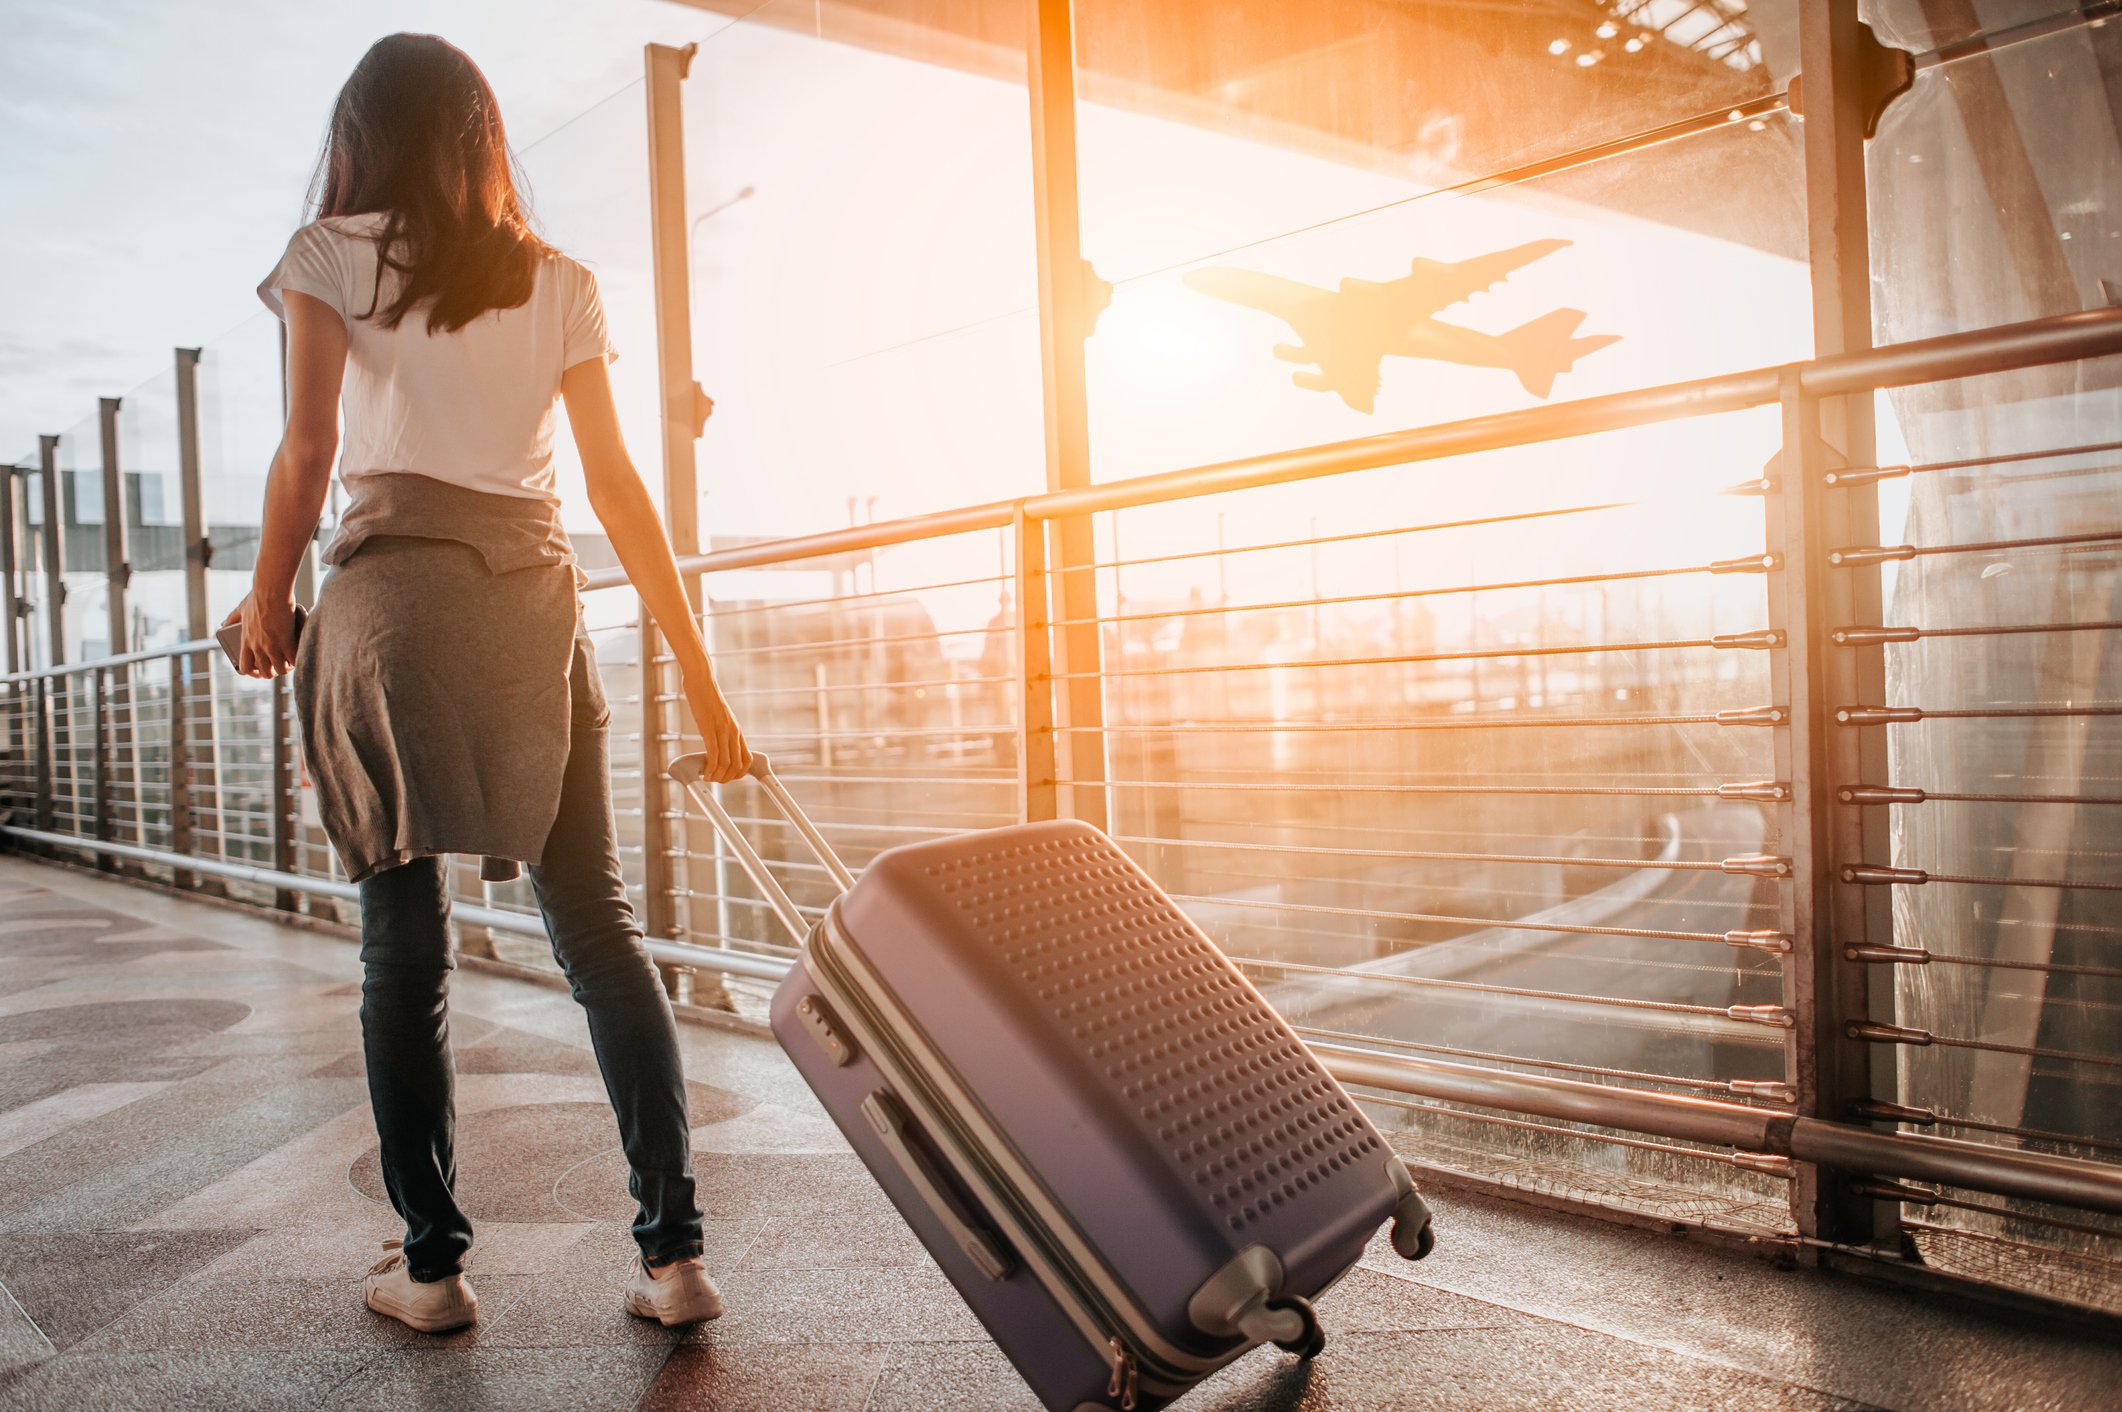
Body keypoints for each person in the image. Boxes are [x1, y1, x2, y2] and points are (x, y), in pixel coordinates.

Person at [228, 32, 751, 1336]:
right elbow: (617, 491)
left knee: (404, 957)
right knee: (599, 934)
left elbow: (308, 448)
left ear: (362, 135)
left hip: (392, 616)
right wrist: (696, 673)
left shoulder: (328, 256)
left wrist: (264, 595)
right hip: (532, 618)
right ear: (483, 137)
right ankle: (675, 1261)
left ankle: (434, 1264)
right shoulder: (560, 282)